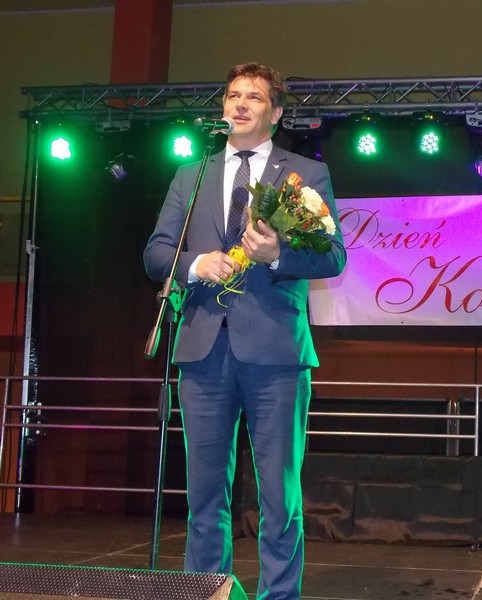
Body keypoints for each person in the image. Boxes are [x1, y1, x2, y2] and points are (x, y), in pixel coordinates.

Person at [143, 62, 346, 600]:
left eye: (253, 97)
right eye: (233, 95)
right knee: (205, 493)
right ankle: (206, 591)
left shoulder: (305, 174)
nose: (239, 104)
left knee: (279, 495)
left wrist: (279, 253)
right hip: (203, 347)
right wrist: (195, 263)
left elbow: (333, 256)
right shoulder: (191, 174)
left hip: (276, 350)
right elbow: (157, 251)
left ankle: (278, 595)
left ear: (275, 114)